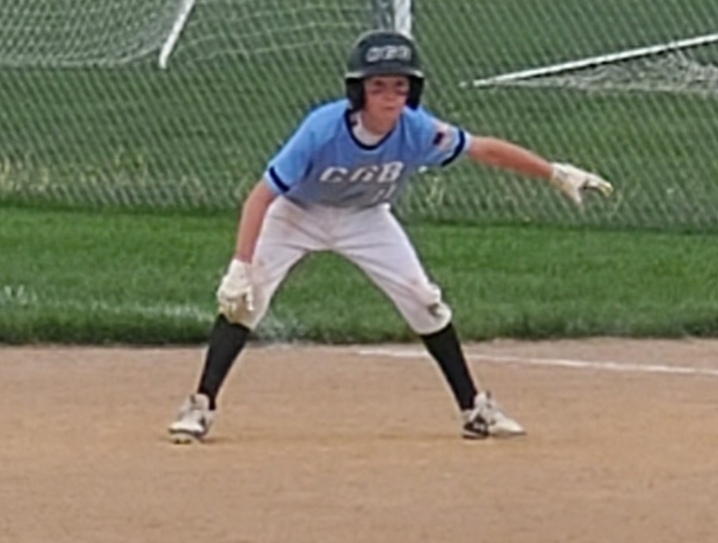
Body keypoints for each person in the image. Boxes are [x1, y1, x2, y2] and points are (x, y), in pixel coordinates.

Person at [169, 30, 612, 443]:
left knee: (423, 299)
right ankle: (200, 405)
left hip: (365, 218)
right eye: (377, 86)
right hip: (297, 213)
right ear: (358, 91)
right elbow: (261, 196)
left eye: (400, 87)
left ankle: (474, 409)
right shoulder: (323, 128)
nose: (389, 97)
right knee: (245, 301)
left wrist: (553, 172)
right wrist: (240, 265)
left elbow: (482, 149)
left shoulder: (417, 129)